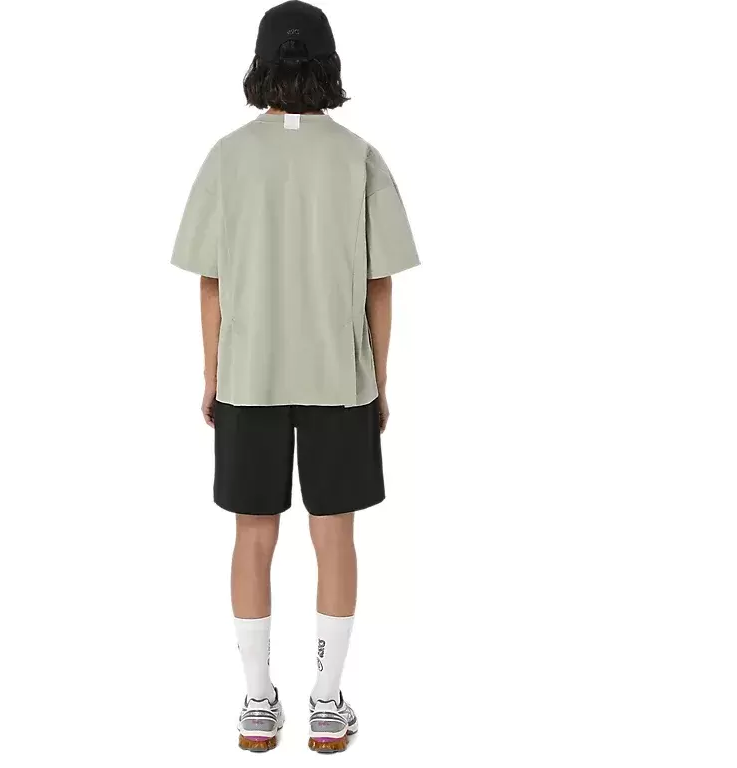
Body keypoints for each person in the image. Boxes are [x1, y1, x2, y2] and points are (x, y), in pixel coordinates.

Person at [170, 0, 419, 753]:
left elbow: (210, 280)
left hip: (250, 376)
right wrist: (379, 377)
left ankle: (256, 702)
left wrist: (212, 373)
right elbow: (380, 282)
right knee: (334, 536)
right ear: (329, 64)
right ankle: (327, 701)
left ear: (259, 65)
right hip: (339, 378)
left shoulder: (226, 157)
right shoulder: (359, 157)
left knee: (252, 536)